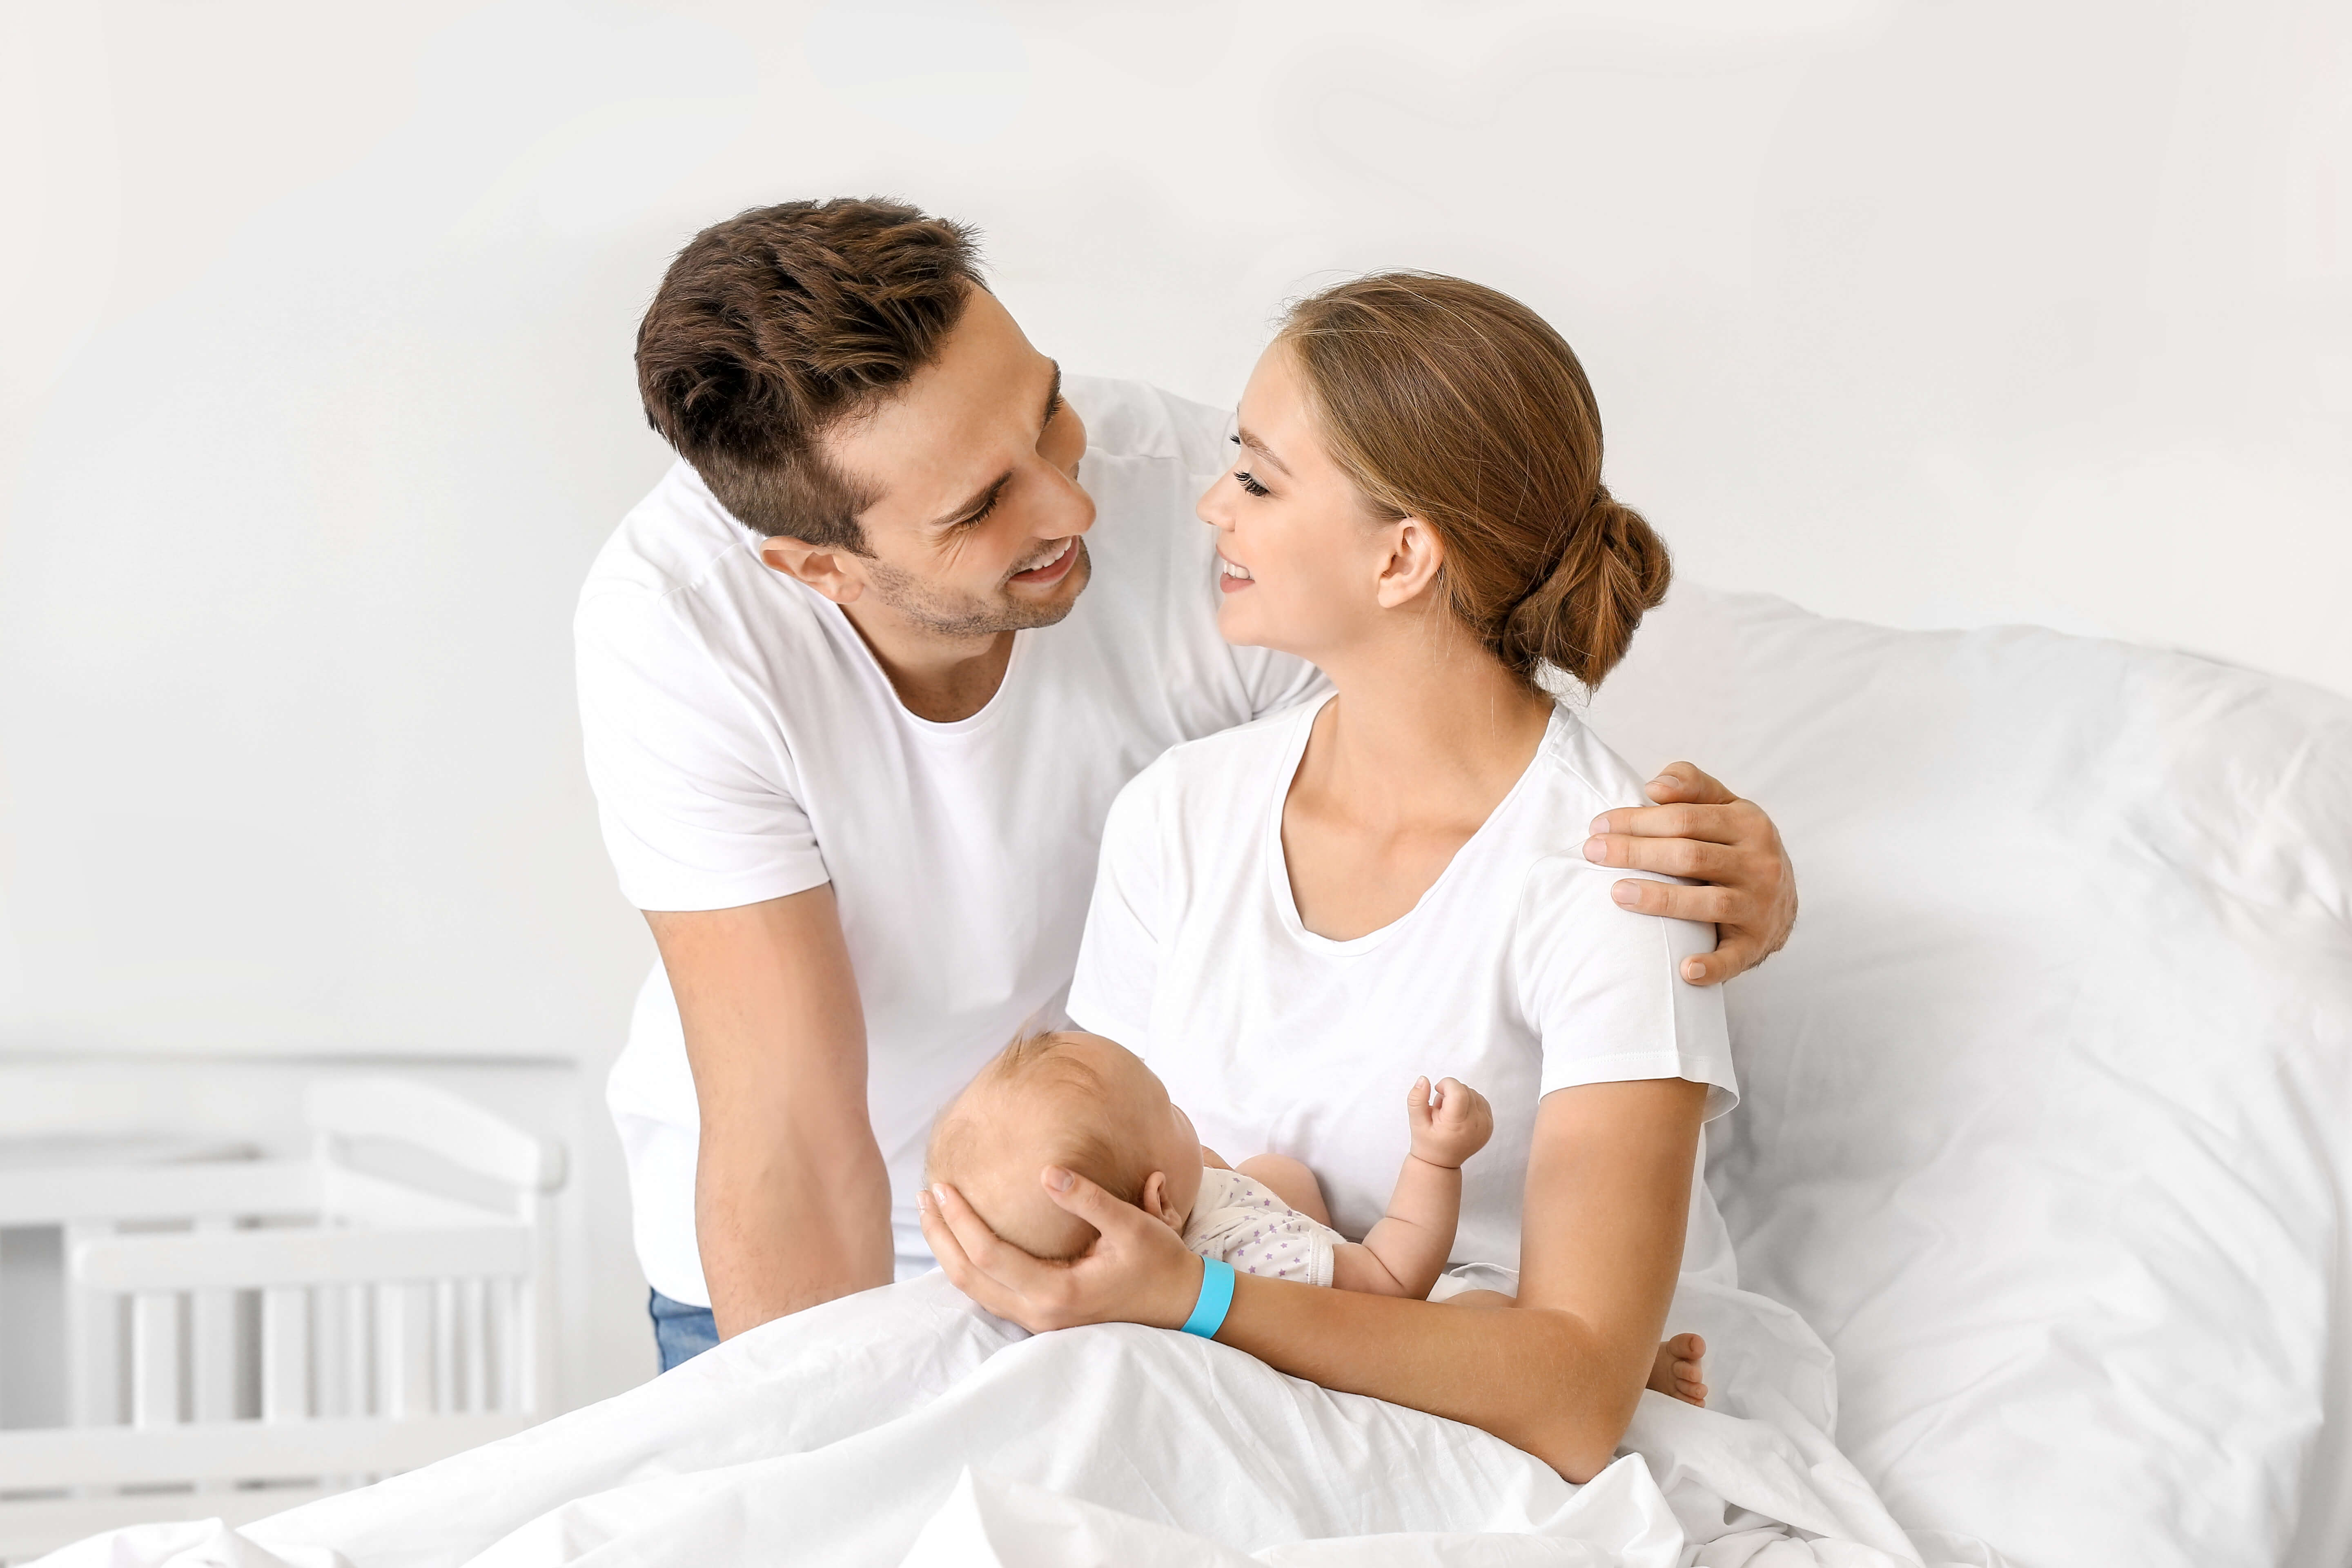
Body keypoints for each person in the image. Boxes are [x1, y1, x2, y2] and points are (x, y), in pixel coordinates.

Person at [577, 199, 1798, 1371]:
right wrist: (826, 1449)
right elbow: (789, 1132)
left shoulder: (1199, 509)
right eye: (985, 505)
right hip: (849, 1253)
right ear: (816, 568)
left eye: (1047, 413)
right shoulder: (686, 632)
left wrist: (1700, 868)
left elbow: (1465, 745)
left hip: (1150, 1247)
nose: (1077, 500)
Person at [922, 271, 1734, 1479]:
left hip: (1479, 1469)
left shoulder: (1613, 880)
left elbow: (1570, 1400)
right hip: (1188, 1418)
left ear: (1403, 555)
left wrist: (1198, 1299)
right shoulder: (1181, 818)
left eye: (1255, 479)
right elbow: (1087, 1201)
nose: (1211, 507)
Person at [924, 1029, 1710, 1405]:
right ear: (1161, 1205)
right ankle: (1633, 1366)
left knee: (1274, 1172)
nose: (1184, 1109)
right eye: (1167, 1107)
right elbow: (1395, 1278)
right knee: (1485, 1309)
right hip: (1381, 1338)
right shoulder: (1259, 1259)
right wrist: (1435, 1162)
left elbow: (1245, 1185)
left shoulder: (1174, 1222)